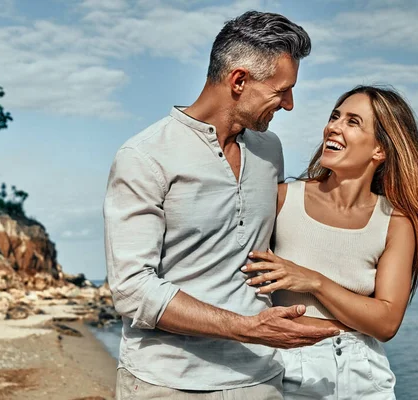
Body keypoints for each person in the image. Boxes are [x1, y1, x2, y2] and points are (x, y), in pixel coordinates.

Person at [103, 11, 340, 400]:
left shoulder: (269, 150)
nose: (290, 104)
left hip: (261, 379)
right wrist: (247, 327)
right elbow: (132, 289)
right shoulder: (144, 156)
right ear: (239, 80)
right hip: (167, 383)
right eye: (282, 90)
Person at [243, 85, 418, 399]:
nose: (333, 127)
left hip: (364, 372)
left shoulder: (395, 222)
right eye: (335, 117)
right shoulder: (283, 199)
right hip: (289, 367)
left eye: (353, 122)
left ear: (380, 150)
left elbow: (387, 322)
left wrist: (314, 281)